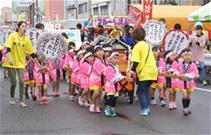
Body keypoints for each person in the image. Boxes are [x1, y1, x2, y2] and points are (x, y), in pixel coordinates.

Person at [3, 21, 39, 107]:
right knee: (14, 82)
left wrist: (39, 64)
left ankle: (21, 101)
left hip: (20, 63)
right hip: (10, 63)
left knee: (21, 81)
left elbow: (32, 54)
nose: (24, 28)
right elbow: (8, 48)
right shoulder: (13, 36)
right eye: (23, 26)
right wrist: (10, 59)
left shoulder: (26, 39)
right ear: (19, 27)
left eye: (25, 26)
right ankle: (12, 97)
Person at [129, 27, 158, 116]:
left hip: (144, 72)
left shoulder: (137, 46)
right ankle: (147, 108)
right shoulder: (147, 45)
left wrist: (131, 70)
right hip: (153, 71)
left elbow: (136, 61)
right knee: (146, 90)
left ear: (134, 36)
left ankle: (145, 109)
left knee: (140, 91)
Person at [104, 52, 127, 117]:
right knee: (111, 97)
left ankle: (112, 108)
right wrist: (122, 77)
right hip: (110, 85)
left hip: (115, 85)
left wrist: (123, 77)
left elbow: (118, 75)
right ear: (110, 59)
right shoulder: (108, 67)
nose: (116, 60)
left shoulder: (116, 67)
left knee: (115, 97)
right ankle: (108, 108)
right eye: (114, 58)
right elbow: (111, 77)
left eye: (117, 59)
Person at [177, 49, 199, 116]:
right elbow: (176, 72)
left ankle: (187, 107)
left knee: (189, 96)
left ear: (191, 56)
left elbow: (196, 73)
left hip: (190, 83)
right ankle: (185, 109)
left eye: (189, 55)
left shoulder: (193, 65)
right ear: (183, 56)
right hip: (182, 82)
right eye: (186, 55)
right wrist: (182, 75)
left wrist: (192, 75)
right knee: (184, 94)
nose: (187, 57)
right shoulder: (180, 64)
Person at [89, 45, 106, 113]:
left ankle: (97, 105)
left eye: (101, 50)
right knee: (96, 92)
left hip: (100, 80)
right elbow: (101, 71)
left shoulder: (102, 60)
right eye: (97, 51)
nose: (100, 52)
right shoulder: (96, 61)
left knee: (99, 93)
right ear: (95, 53)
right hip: (95, 79)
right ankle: (92, 104)